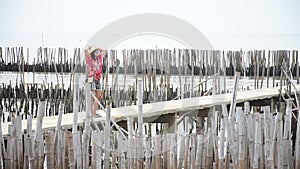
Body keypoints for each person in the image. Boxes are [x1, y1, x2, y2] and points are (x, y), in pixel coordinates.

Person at [85, 46, 104, 117]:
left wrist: (96, 47)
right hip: (92, 78)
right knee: (92, 97)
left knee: (99, 96)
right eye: (95, 52)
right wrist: (90, 48)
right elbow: (85, 51)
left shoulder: (99, 59)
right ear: (92, 53)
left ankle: (94, 112)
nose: (98, 52)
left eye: (98, 52)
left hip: (98, 78)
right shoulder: (90, 59)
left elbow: (103, 51)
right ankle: (92, 113)